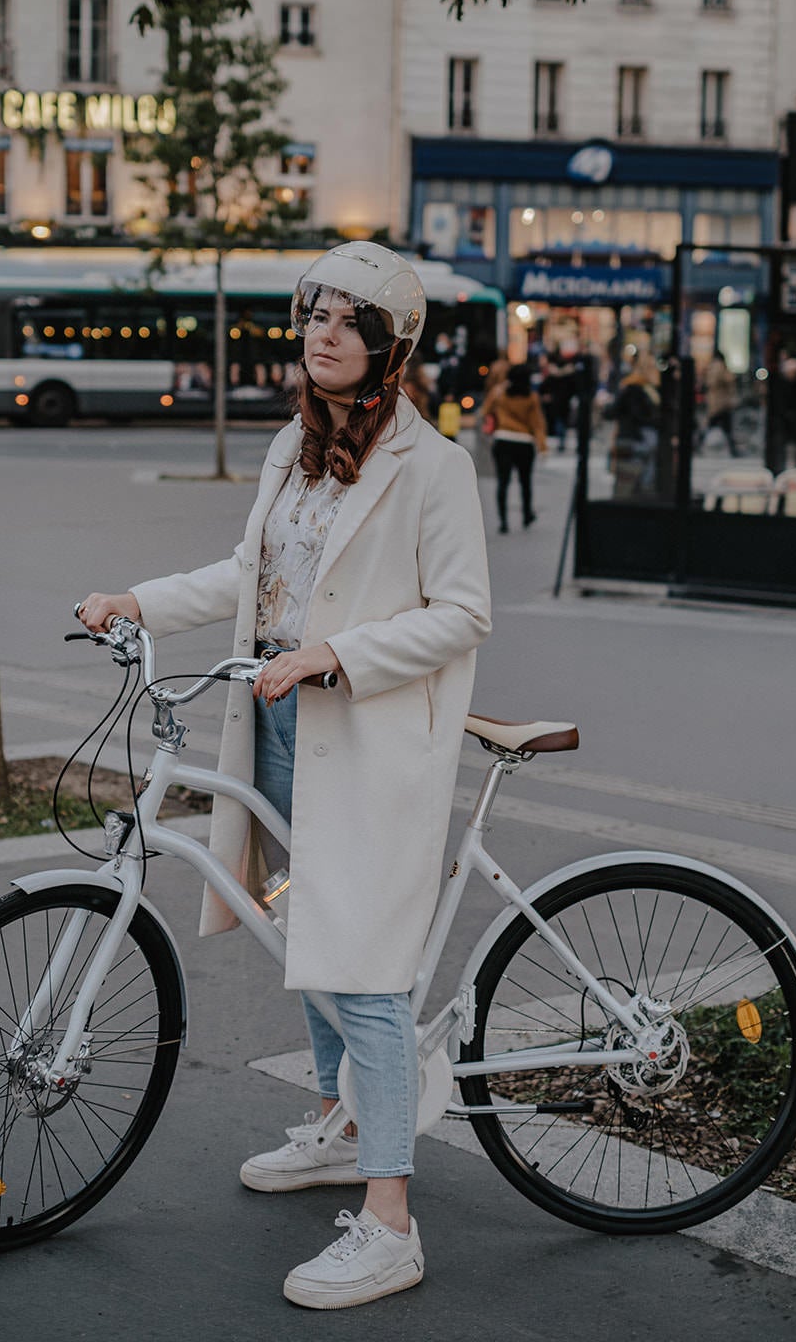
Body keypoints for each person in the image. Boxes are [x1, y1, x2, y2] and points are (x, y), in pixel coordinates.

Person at [78, 242, 491, 1311]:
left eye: (347, 322)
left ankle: (391, 1222)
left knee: (361, 974)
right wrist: (139, 597)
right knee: (301, 933)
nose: (321, 335)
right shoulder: (291, 449)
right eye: (312, 316)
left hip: (361, 741)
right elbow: (245, 572)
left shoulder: (433, 467)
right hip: (272, 731)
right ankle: (338, 1122)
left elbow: (460, 613)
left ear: (389, 346)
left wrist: (336, 654)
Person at [480, 363, 548, 532]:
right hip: (524, 443)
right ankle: (526, 515)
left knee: (503, 482)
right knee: (526, 482)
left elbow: (484, 411)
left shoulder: (499, 393)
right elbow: (537, 423)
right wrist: (542, 446)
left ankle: (503, 522)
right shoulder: (531, 397)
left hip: (503, 440)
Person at [612, 354, 661, 496]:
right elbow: (638, 415)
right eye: (652, 368)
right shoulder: (635, 388)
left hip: (633, 437)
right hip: (635, 438)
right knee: (630, 483)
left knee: (629, 482)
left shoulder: (646, 388)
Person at [700, 351, 739, 456]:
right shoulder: (720, 367)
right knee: (726, 427)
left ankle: (699, 444)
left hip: (714, 401)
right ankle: (733, 450)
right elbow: (728, 379)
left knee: (713, 424)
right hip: (721, 402)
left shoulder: (712, 367)